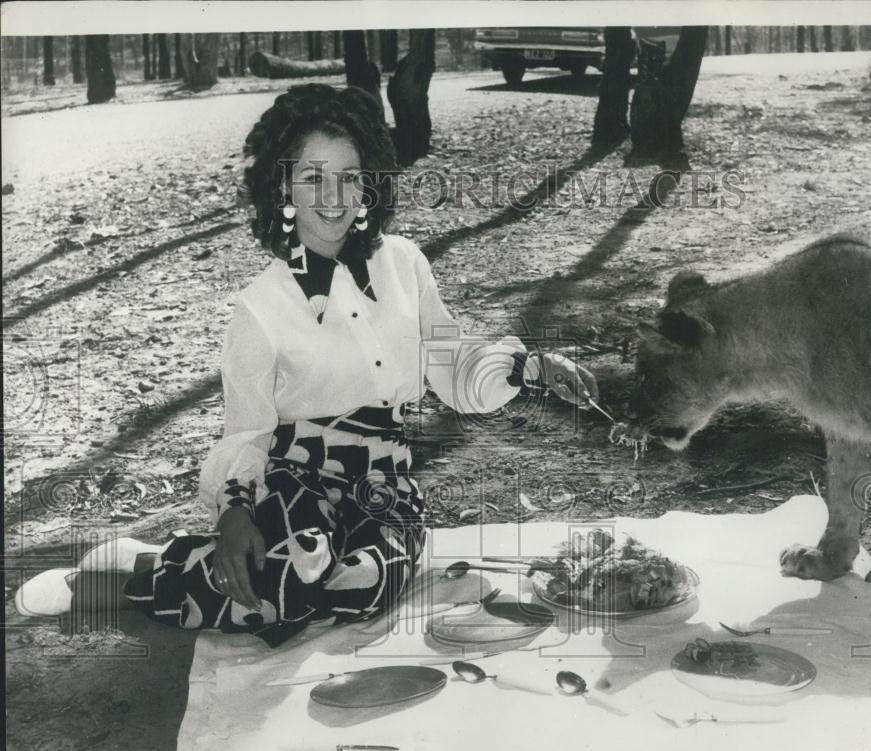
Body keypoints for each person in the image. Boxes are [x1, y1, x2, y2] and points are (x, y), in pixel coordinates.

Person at [14, 84, 599, 647]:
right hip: (293, 476)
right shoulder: (260, 306)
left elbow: (453, 367)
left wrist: (530, 369)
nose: (333, 198)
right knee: (285, 584)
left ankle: (182, 560)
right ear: (284, 185)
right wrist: (235, 513)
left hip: (383, 483)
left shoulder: (406, 266)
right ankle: (125, 579)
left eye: (349, 177)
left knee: (361, 589)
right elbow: (247, 432)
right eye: (313, 177)